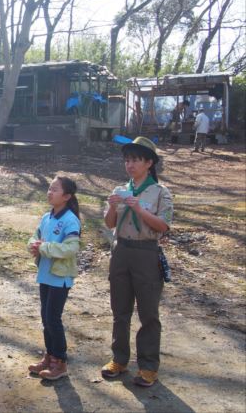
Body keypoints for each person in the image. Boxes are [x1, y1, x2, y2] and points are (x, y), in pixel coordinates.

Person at [101, 136, 173, 388]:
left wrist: (140, 209)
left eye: (136, 160)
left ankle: (148, 366)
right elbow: (110, 224)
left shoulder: (160, 192)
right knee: (120, 310)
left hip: (146, 253)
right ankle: (119, 359)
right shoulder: (120, 189)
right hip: (121, 251)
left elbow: (163, 226)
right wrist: (112, 207)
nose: (130, 165)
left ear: (149, 163)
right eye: (127, 160)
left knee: (148, 313)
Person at [27, 176, 81, 381]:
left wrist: (44, 248)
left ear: (66, 196)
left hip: (60, 277)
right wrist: (33, 245)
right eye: (49, 188)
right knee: (45, 318)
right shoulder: (46, 217)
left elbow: (71, 248)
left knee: (53, 319)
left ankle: (60, 361)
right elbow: (35, 236)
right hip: (45, 275)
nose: (50, 192)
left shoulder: (70, 220)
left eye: (55, 189)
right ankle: (49, 357)